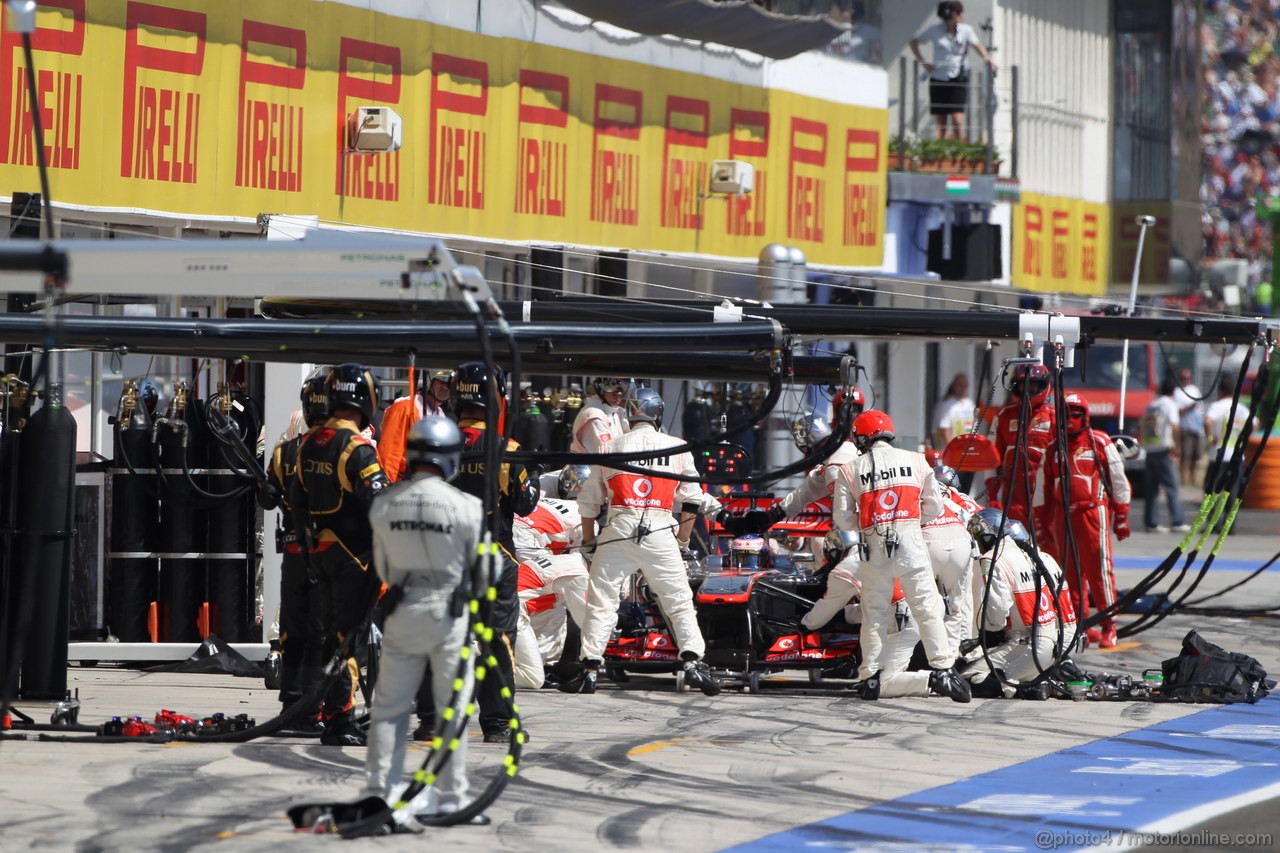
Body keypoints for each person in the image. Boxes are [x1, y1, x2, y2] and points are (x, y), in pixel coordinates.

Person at [364, 416, 488, 825]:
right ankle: (450, 799)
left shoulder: (385, 504)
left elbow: (383, 568)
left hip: (402, 611)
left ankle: (381, 795)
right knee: (452, 708)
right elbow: (484, 572)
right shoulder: (467, 506)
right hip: (449, 613)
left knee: (390, 709)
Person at [569, 387, 728, 696]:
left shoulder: (608, 448)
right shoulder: (678, 447)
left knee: (602, 602)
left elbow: (588, 503)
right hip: (659, 531)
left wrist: (589, 543)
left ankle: (589, 668)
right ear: (658, 413)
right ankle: (693, 662)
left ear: (629, 413)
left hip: (618, 529)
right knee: (678, 601)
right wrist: (682, 540)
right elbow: (692, 501)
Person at [289, 363, 390, 746]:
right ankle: (341, 721)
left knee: (332, 639)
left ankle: (334, 715)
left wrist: (310, 544)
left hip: (319, 553)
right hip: (355, 558)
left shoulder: (308, 443)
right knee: (349, 642)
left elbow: (296, 500)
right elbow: (382, 504)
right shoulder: (356, 449)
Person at [829, 409, 960, 700]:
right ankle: (944, 669)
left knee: (873, 614)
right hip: (911, 542)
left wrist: (869, 524)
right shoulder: (917, 460)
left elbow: (843, 519)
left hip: (873, 547)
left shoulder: (849, 469)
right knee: (926, 605)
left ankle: (871, 676)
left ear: (861, 437)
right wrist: (910, 521)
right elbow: (935, 507)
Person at [449, 361, 541, 742]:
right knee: (496, 639)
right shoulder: (508, 449)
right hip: (493, 553)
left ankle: (427, 719)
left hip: (441, 553)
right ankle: (498, 724)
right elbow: (525, 505)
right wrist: (531, 476)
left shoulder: (434, 440)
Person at [257, 369, 329, 724]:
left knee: (294, 631)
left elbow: (268, 498)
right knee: (319, 633)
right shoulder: (348, 449)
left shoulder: (283, 452)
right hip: (330, 558)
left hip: (295, 555)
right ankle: (313, 708)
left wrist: (271, 490)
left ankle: (292, 705)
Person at [1042, 393, 1131, 649]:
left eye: (1076, 413)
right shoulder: (1053, 447)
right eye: (1067, 414)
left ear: (1085, 416)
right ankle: (1080, 625)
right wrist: (1043, 524)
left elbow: (1118, 481)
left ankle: (1109, 625)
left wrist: (1122, 517)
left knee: (1100, 570)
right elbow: (1043, 490)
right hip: (1063, 516)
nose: (1071, 419)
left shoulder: (1100, 442)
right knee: (1068, 574)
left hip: (1094, 513)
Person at [964, 509, 1077, 699]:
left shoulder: (993, 559)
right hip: (1059, 639)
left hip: (1028, 643)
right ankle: (1053, 677)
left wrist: (990, 633)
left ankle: (1027, 687)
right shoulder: (1035, 557)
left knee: (968, 677)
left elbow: (997, 614)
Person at [984, 363, 1055, 546]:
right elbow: (992, 462)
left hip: (1048, 501)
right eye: (1023, 385)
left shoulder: (1055, 418)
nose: (1028, 390)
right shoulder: (1004, 417)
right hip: (1013, 498)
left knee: (1050, 551)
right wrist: (992, 498)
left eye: (1032, 385)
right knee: (1011, 548)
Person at [909, 1, 997, 140]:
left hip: (958, 76)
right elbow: (914, 42)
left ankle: (959, 148)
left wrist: (987, 58)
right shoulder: (935, 31)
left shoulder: (966, 30)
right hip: (939, 76)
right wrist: (924, 63)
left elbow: (977, 45)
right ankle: (942, 148)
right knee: (942, 120)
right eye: (958, 13)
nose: (961, 16)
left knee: (957, 120)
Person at [922, 464, 982, 653]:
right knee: (964, 604)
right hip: (973, 549)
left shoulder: (932, 493)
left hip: (938, 545)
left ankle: (938, 649)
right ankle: (964, 647)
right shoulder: (965, 498)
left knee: (936, 602)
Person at [377, 369, 452, 484]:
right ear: (429, 381)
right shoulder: (403, 409)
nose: (445, 388)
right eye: (441, 382)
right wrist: (388, 489)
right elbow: (389, 457)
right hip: (402, 486)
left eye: (449, 384)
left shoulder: (441, 416)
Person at [1140, 376, 1188, 533]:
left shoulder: (1152, 405)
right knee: (1172, 487)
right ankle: (1177, 521)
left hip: (1150, 448)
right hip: (1163, 449)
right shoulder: (1170, 405)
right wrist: (1177, 446)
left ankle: (1151, 522)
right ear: (1173, 391)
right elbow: (1174, 426)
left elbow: (1142, 425)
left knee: (1151, 489)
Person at [1203, 377, 1253, 493]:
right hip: (1236, 453)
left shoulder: (1217, 406)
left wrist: (1210, 438)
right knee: (1231, 488)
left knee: (1212, 486)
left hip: (1218, 453)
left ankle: (1210, 510)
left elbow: (1207, 422)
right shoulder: (1241, 408)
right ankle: (1229, 509)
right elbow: (1255, 423)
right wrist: (1245, 437)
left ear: (1220, 391)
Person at [571, 376, 630, 454]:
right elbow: (605, 456)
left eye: (622, 387)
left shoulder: (615, 411)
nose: (618, 393)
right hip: (591, 465)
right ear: (600, 389)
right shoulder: (594, 417)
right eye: (611, 386)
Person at [1173, 368, 1205, 487]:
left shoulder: (1195, 390)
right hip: (1185, 427)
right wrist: (1188, 408)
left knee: (1195, 456)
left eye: (1188, 378)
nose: (1186, 380)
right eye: (1183, 378)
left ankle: (1193, 478)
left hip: (1197, 427)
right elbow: (1177, 411)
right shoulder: (1177, 392)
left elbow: (1200, 408)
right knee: (1185, 455)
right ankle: (1183, 479)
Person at [931, 373, 974, 450]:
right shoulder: (946, 405)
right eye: (960, 385)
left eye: (965, 385)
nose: (963, 388)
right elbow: (945, 429)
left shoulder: (970, 404)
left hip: (967, 449)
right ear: (954, 386)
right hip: (952, 450)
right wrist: (951, 450)